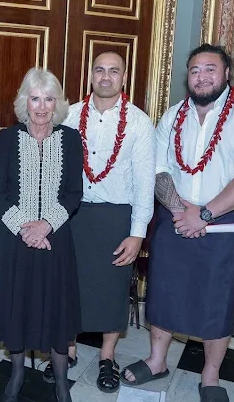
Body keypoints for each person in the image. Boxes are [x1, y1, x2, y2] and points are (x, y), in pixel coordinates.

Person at [121, 44, 234, 402]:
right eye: (194, 70)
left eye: (210, 69)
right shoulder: (173, 115)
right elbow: (158, 168)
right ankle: (157, 360)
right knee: (162, 293)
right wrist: (180, 210)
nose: (202, 76)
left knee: (216, 301)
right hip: (174, 217)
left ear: (225, 74)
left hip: (223, 223)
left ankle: (210, 375)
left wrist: (205, 214)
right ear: (186, 77)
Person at [40, 51, 156, 393]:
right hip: (72, 215)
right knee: (67, 285)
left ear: (124, 78)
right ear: (91, 75)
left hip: (115, 216)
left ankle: (107, 357)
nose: (106, 76)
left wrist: (137, 234)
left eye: (114, 71)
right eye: (99, 70)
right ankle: (69, 351)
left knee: (111, 289)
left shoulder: (138, 122)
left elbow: (144, 185)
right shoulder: (70, 116)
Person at [0, 67, 83, 402]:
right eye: (35, 98)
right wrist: (26, 229)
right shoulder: (7, 139)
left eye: (48, 99)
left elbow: (73, 194)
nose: (41, 106)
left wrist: (45, 226)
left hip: (55, 239)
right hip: (13, 241)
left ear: (58, 103)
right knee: (17, 306)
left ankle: (60, 380)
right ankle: (15, 373)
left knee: (56, 309)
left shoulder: (70, 139)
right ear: (24, 101)